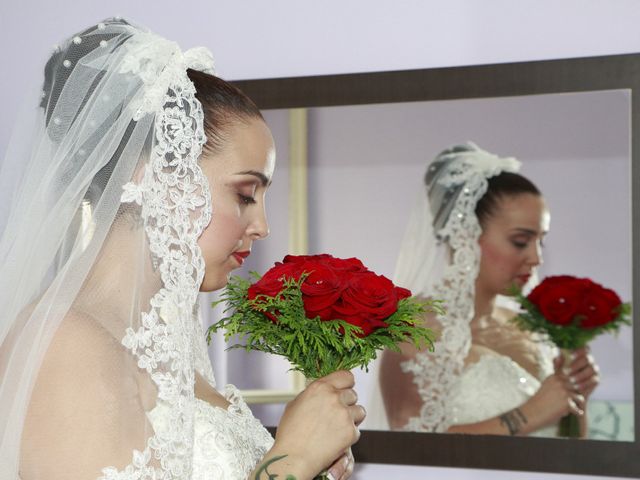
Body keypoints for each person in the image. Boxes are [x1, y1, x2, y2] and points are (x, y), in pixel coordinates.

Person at [0, 18, 364, 480]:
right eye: (245, 194)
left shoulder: (175, 342)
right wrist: (290, 463)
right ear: (148, 174)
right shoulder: (64, 346)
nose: (262, 227)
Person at [374, 143, 599, 436]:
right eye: (520, 241)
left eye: (541, 241)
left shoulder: (534, 330)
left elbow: (569, 448)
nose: (536, 258)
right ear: (466, 236)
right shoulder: (413, 330)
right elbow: (409, 447)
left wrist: (577, 398)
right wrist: (527, 415)